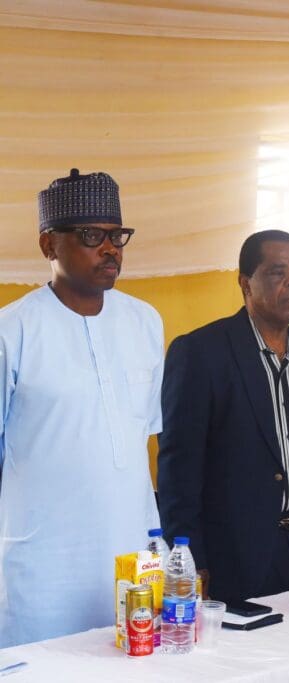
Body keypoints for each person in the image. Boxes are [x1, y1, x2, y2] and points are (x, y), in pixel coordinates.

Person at [0, 169, 163, 647]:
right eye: (92, 236)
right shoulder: (13, 329)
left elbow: (145, 437)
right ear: (49, 245)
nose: (110, 249)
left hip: (131, 548)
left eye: (117, 236)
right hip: (43, 557)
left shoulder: (145, 321)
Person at [158, 230, 289, 603]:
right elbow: (179, 468)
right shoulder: (202, 353)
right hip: (238, 550)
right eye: (277, 272)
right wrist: (190, 560)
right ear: (245, 283)